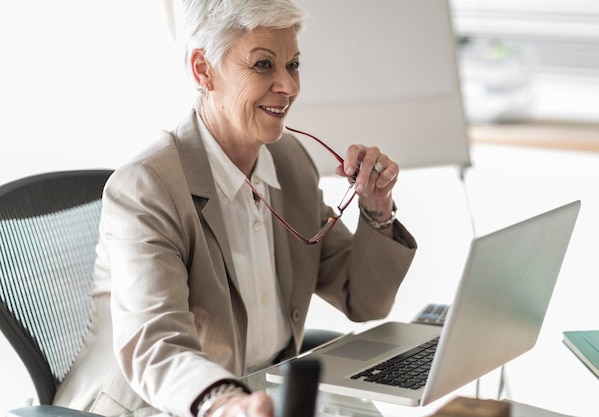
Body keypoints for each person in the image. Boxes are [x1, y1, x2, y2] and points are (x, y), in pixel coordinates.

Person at [53, 1, 417, 416]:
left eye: (293, 65)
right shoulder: (147, 187)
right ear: (202, 70)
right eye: (263, 65)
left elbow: (364, 301)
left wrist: (376, 207)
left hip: (264, 395)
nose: (289, 86)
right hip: (160, 406)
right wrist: (224, 403)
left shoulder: (290, 162)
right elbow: (155, 344)